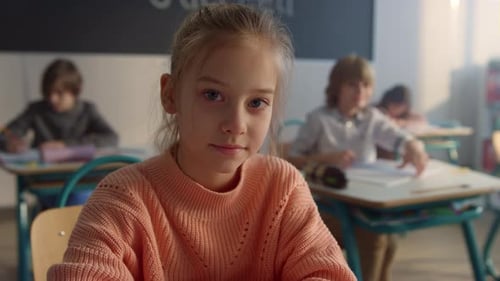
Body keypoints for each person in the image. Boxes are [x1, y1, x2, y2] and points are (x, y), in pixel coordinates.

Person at [48, 4, 356, 281]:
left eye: (257, 102)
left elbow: (327, 274)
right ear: (170, 94)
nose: (236, 125)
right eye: (212, 95)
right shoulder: (123, 200)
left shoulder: (283, 189)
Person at [286, 55, 428, 281]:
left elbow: (396, 136)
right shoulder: (319, 119)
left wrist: (413, 145)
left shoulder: (372, 117)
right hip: (327, 207)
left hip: (366, 203)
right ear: (336, 88)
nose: (360, 90)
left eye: (366, 85)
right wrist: (326, 158)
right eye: (352, 84)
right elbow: (291, 160)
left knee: (388, 239)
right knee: (374, 236)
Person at [0, 58, 118, 153]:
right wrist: (10, 143)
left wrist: (65, 145)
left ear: (75, 91)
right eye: (48, 93)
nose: (52, 99)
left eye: (59, 93)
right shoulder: (36, 110)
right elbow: (6, 134)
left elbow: (111, 138)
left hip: (80, 175)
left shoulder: (87, 110)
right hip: (40, 177)